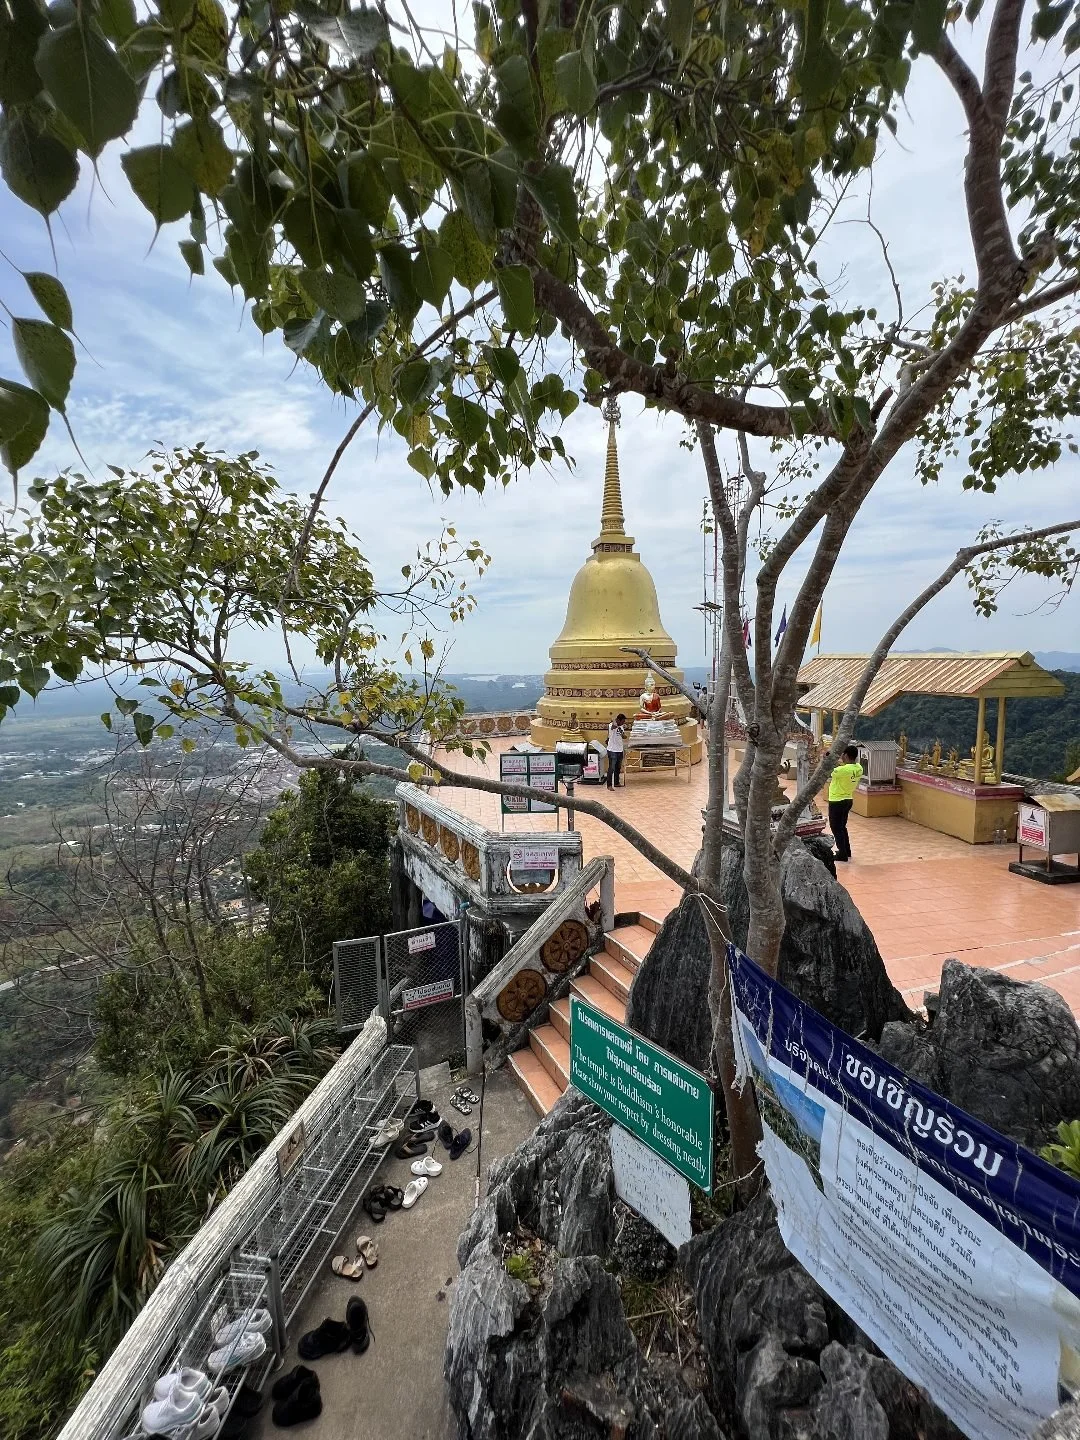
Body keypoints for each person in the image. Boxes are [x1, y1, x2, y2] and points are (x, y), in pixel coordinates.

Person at [827, 743, 863, 863]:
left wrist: (827, 758)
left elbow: (829, 769)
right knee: (842, 826)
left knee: (836, 827)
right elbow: (842, 767)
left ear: (846, 755)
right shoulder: (858, 768)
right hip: (848, 799)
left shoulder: (841, 771)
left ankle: (842, 854)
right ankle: (846, 850)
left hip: (837, 800)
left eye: (843, 754)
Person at [606, 714, 626, 788]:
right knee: (611, 768)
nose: (623, 723)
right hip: (612, 750)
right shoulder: (611, 725)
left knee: (618, 768)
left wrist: (621, 731)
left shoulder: (621, 727)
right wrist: (617, 723)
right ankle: (609, 785)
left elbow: (624, 736)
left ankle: (616, 782)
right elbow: (613, 724)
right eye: (622, 721)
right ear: (618, 720)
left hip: (619, 749)